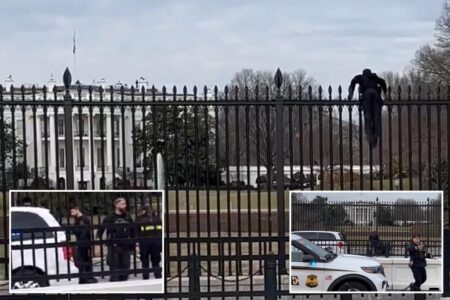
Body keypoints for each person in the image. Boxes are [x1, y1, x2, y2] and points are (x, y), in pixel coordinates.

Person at [96, 197, 135, 282]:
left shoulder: (128, 217)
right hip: (114, 246)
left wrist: (134, 243)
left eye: (125, 204)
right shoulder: (110, 218)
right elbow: (100, 230)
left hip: (125, 245)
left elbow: (133, 231)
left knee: (125, 267)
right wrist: (98, 244)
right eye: (123, 204)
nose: (125, 206)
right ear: (116, 205)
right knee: (114, 268)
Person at [348, 69, 387, 148]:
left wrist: (351, 93)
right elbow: (383, 82)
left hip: (367, 95)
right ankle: (376, 134)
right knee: (377, 116)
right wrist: (386, 94)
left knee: (368, 115)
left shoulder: (361, 77)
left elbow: (353, 81)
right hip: (376, 95)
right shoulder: (375, 77)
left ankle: (369, 134)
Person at [69, 207, 98, 284]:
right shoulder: (77, 220)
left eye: (73, 212)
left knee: (86, 260)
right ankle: (84, 277)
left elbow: (83, 232)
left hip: (85, 243)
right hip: (80, 243)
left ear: (78, 210)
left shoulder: (84, 219)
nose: (71, 214)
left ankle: (88, 277)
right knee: (81, 261)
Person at [135, 205, 162, 279]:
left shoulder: (140, 219)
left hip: (144, 243)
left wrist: (136, 243)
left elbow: (136, 231)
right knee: (156, 261)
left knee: (145, 261)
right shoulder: (157, 218)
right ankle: (158, 276)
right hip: (155, 242)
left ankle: (146, 276)